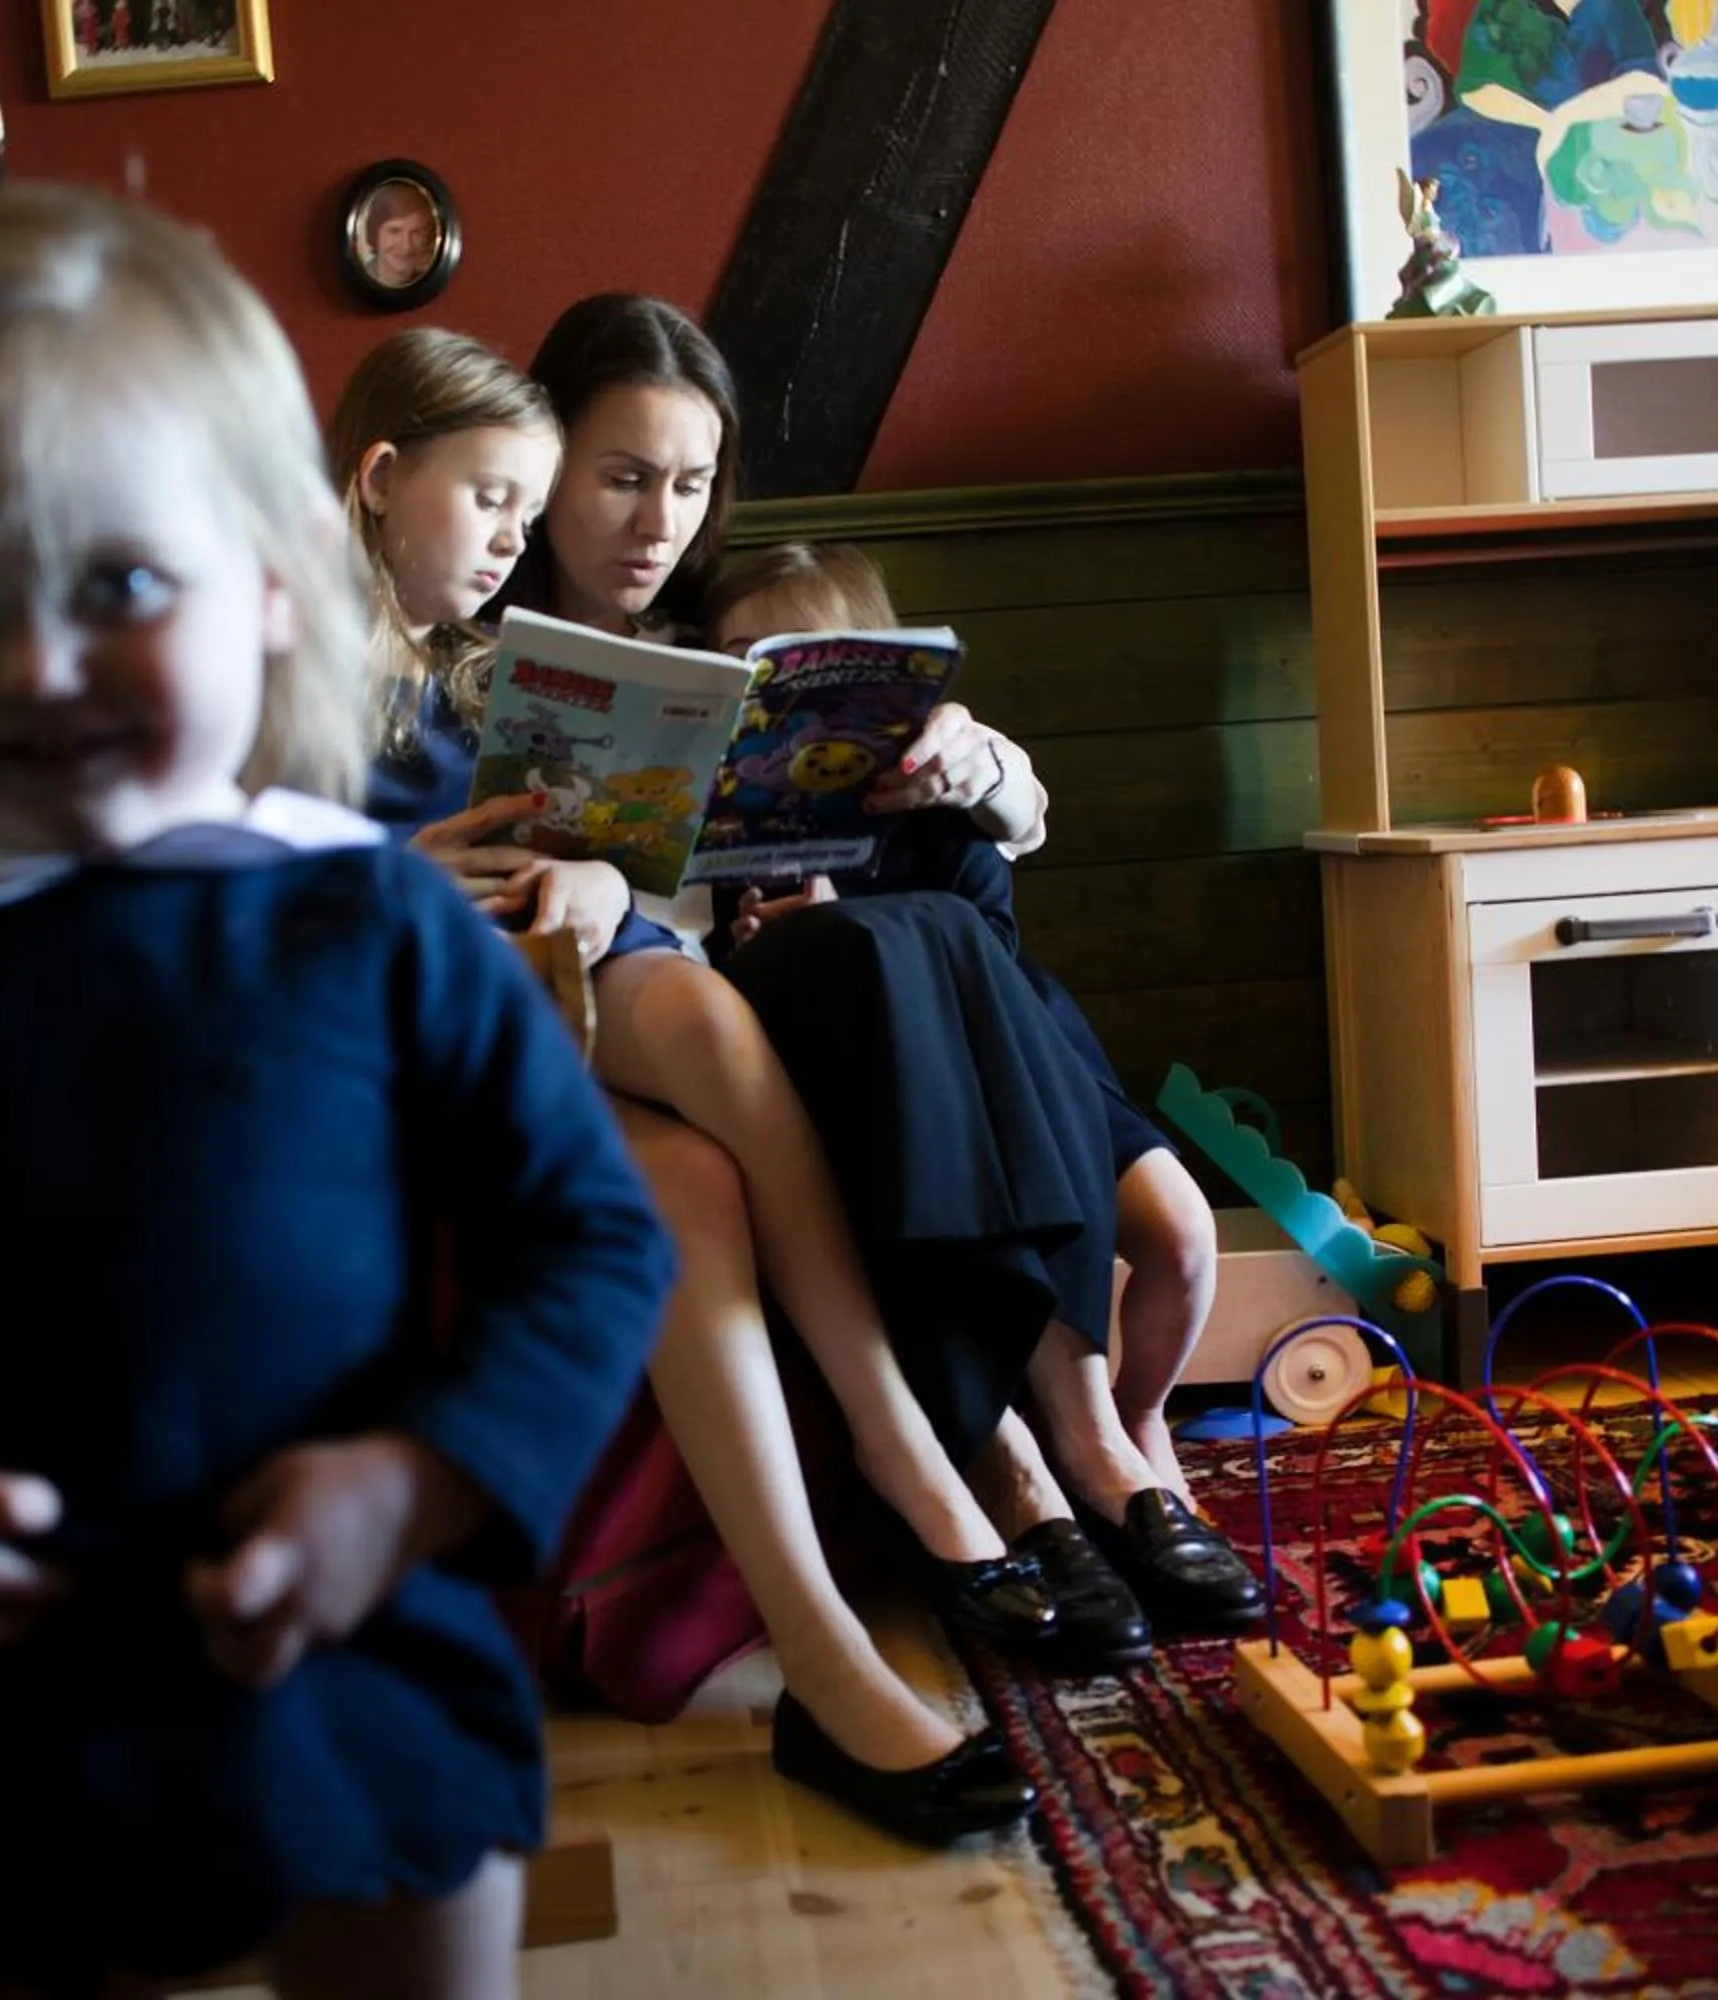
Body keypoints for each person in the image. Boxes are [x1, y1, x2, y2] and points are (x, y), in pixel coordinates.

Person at [0, 171, 674, 1998]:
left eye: (121, 585)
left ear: (271, 583)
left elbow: (587, 1235)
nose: (36, 664)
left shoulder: (363, 923)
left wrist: (411, 1487)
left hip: (350, 1664)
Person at [328, 326, 1043, 1844]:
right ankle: (860, 1568)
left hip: (555, 965)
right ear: (380, 480)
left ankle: (862, 1538)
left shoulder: (475, 668)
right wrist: (395, 881)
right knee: (683, 1131)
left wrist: (600, 879)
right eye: (496, 503)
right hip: (404, 1012)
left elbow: (552, 836)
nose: (513, 540)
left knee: (705, 1105)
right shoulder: (285, 661)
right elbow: (215, 884)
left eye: (527, 511)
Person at [484, 296, 1178, 1665]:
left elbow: (1000, 823)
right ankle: (1003, 1456)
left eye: (692, 485)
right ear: (548, 463)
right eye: (623, 479)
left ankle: (1073, 1442)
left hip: (837, 978)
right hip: (661, 1000)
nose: (659, 523)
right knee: (883, 954)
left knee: (928, 932)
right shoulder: (472, 651)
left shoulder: (729, 637)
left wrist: (969, 755)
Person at [702, 543, 1264, 1635]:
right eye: (747, 663)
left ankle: (1122, 1425)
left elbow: (1019, 816)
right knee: (902, 943)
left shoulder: (940, 773)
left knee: (1185, 1237)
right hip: (881, 1081)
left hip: (1023, 1062)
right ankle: (1041, 1459)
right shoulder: (728, 821)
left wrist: (977, 769)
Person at [359, 183, 437, 287]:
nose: (406, 246)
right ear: (375, 234)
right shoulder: (357, 278)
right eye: (395, 231)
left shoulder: (433, 282)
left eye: (416, 232)